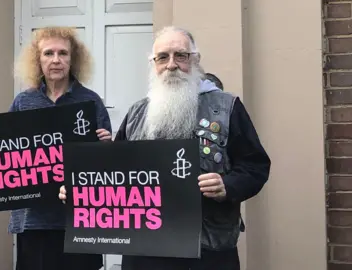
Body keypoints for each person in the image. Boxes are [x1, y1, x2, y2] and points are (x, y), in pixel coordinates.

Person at [59, 26, 271, 270]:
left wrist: (227, 185)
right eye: (163, 57)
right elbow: (115, 176)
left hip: (207, 250)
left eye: (180, 55)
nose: (171, 65)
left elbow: (255, 166)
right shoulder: (137, 112)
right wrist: (81, 191)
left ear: (195, 60)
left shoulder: (226, 107)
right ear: (153, 63)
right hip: (144, 249)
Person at [0, 26, 111, 270]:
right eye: (48, 53)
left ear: (73, 59)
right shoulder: (24, 101)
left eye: (63, 53)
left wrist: (107, 146)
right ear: (37, 60)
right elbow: (4, 150)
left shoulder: (91, 101)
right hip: (33, 221)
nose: (56, 60)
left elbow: (108, 165)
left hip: (79, 220)